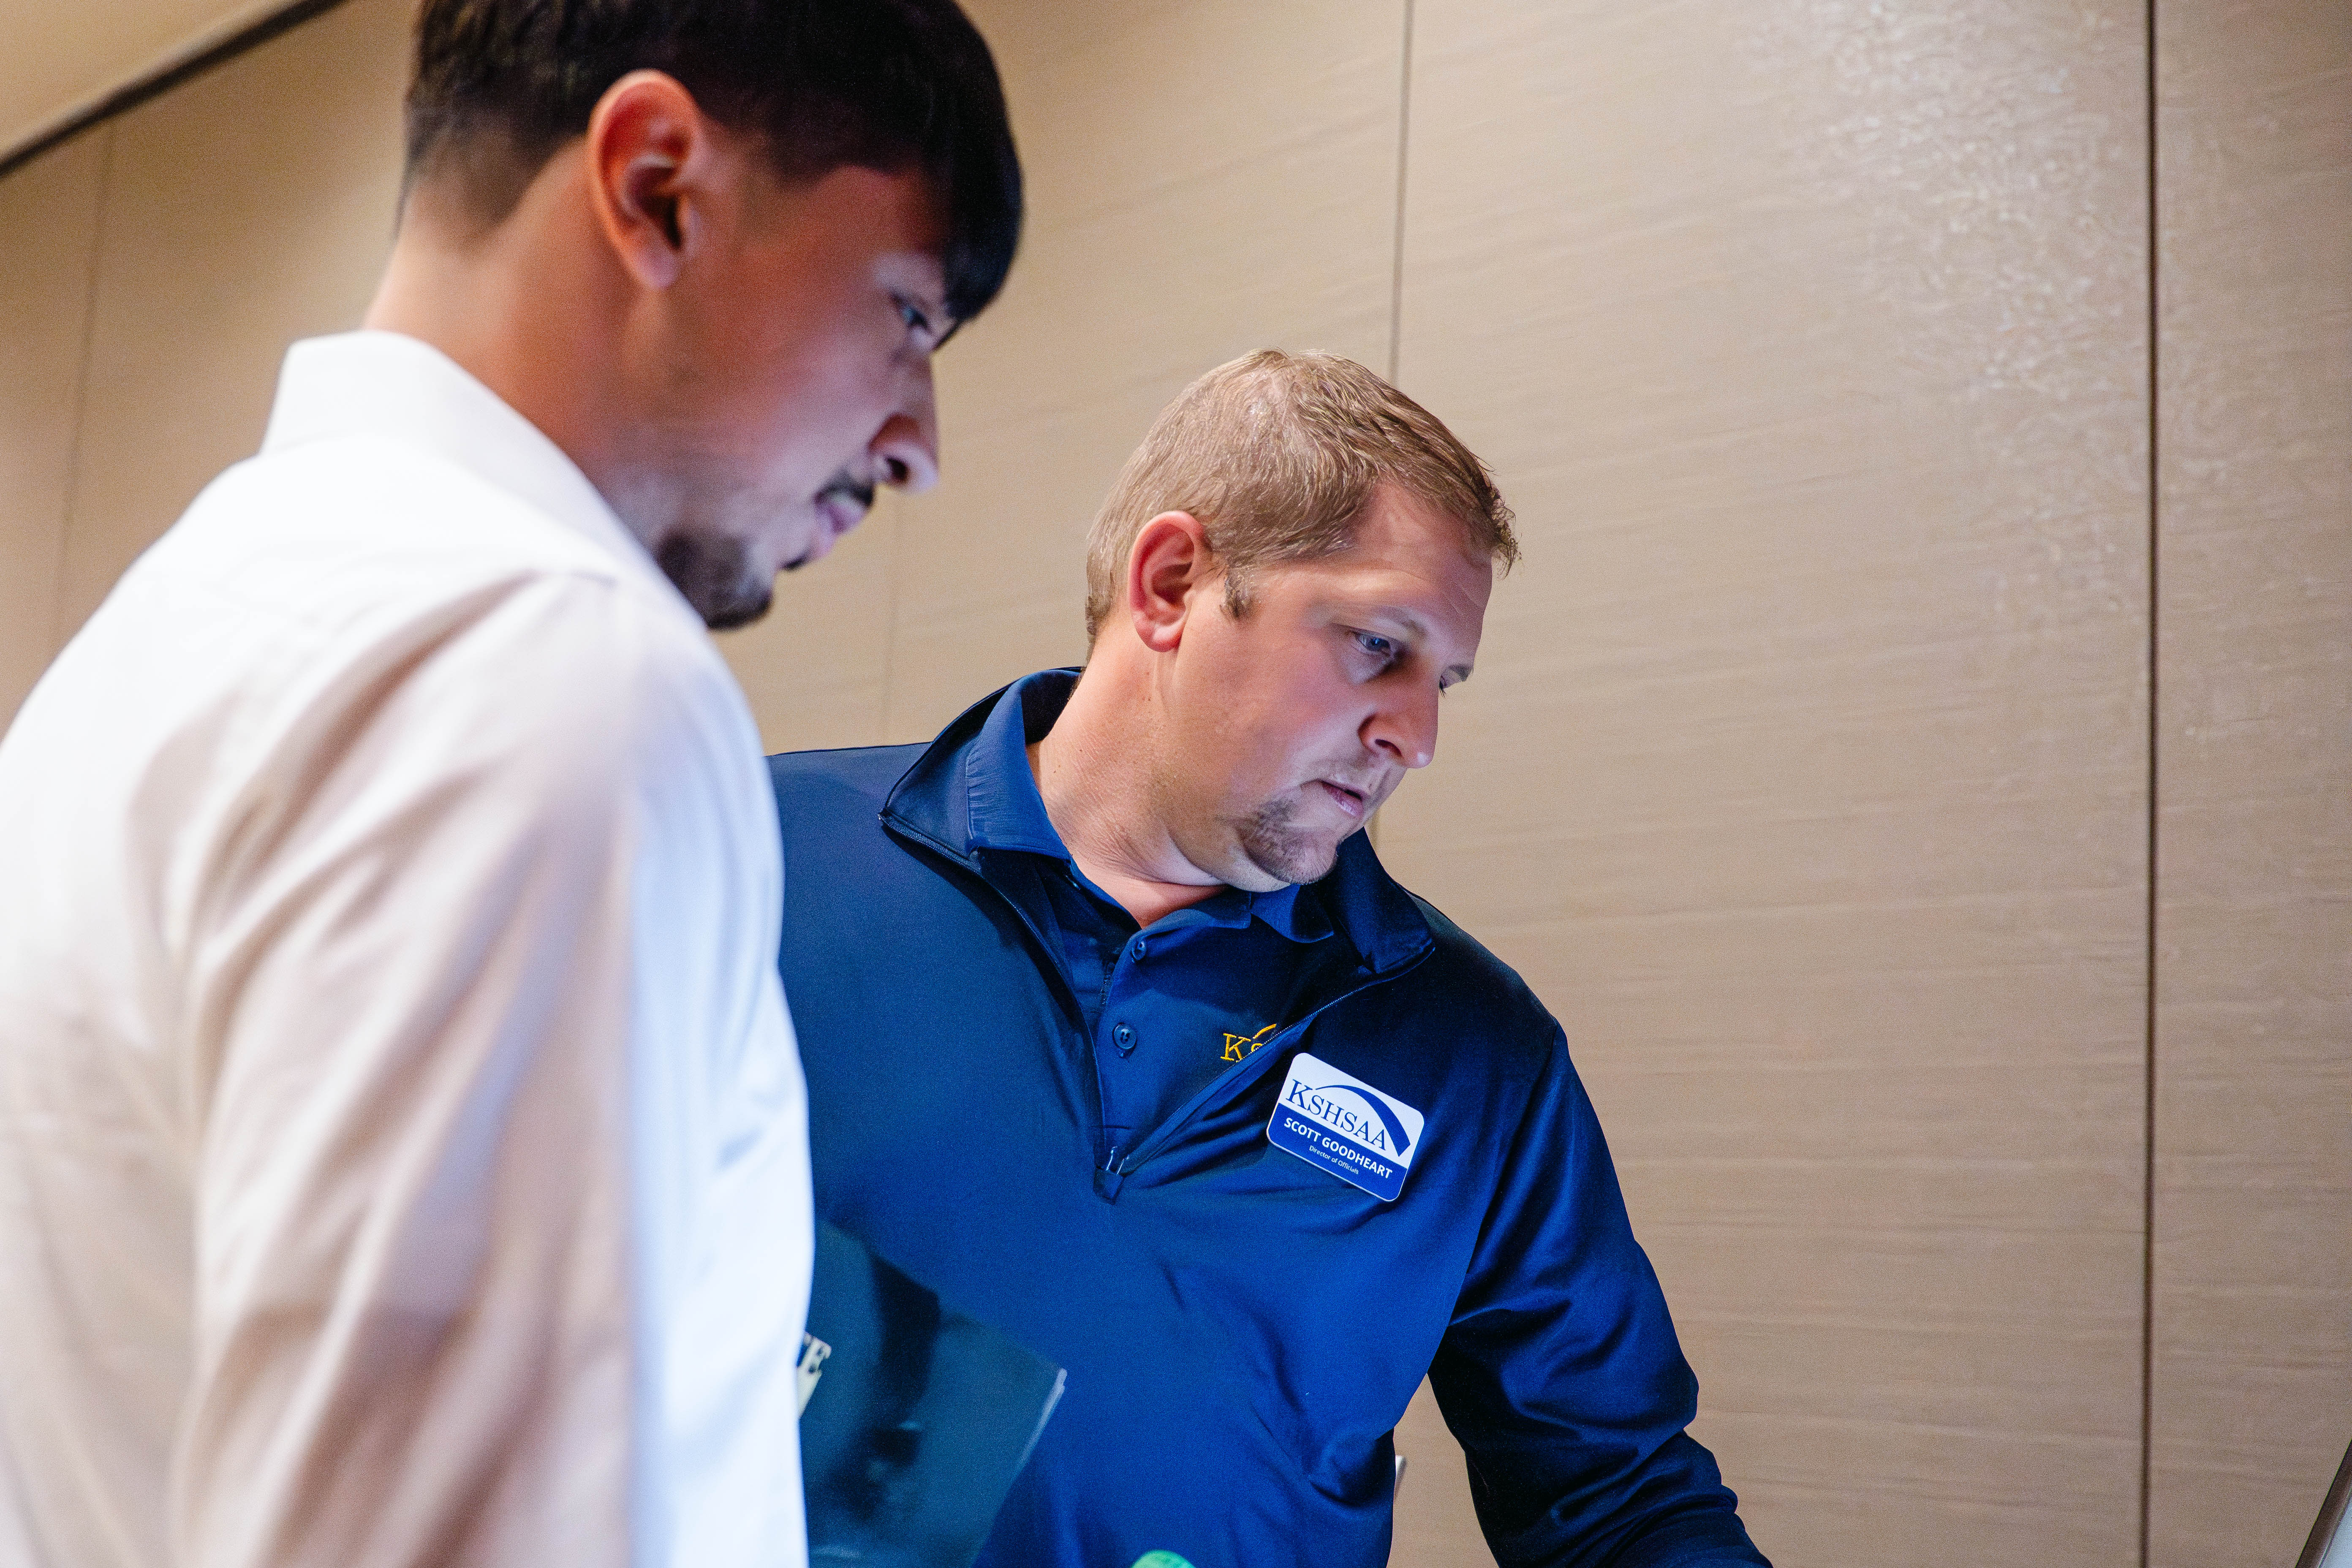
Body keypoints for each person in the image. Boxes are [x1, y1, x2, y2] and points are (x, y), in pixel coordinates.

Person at [0, 2, 1018, 1566]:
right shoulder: (548, 671)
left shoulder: (150, 643)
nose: (921, 445)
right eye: (906, 317)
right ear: (659, 185)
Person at [766, 351, 1772, 1567]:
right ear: (1173, 582)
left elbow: (1616, 1501)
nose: (1418, 734)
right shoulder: (770, 861)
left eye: (1441, 680)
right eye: (1375, 646)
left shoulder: (1469, 1051)